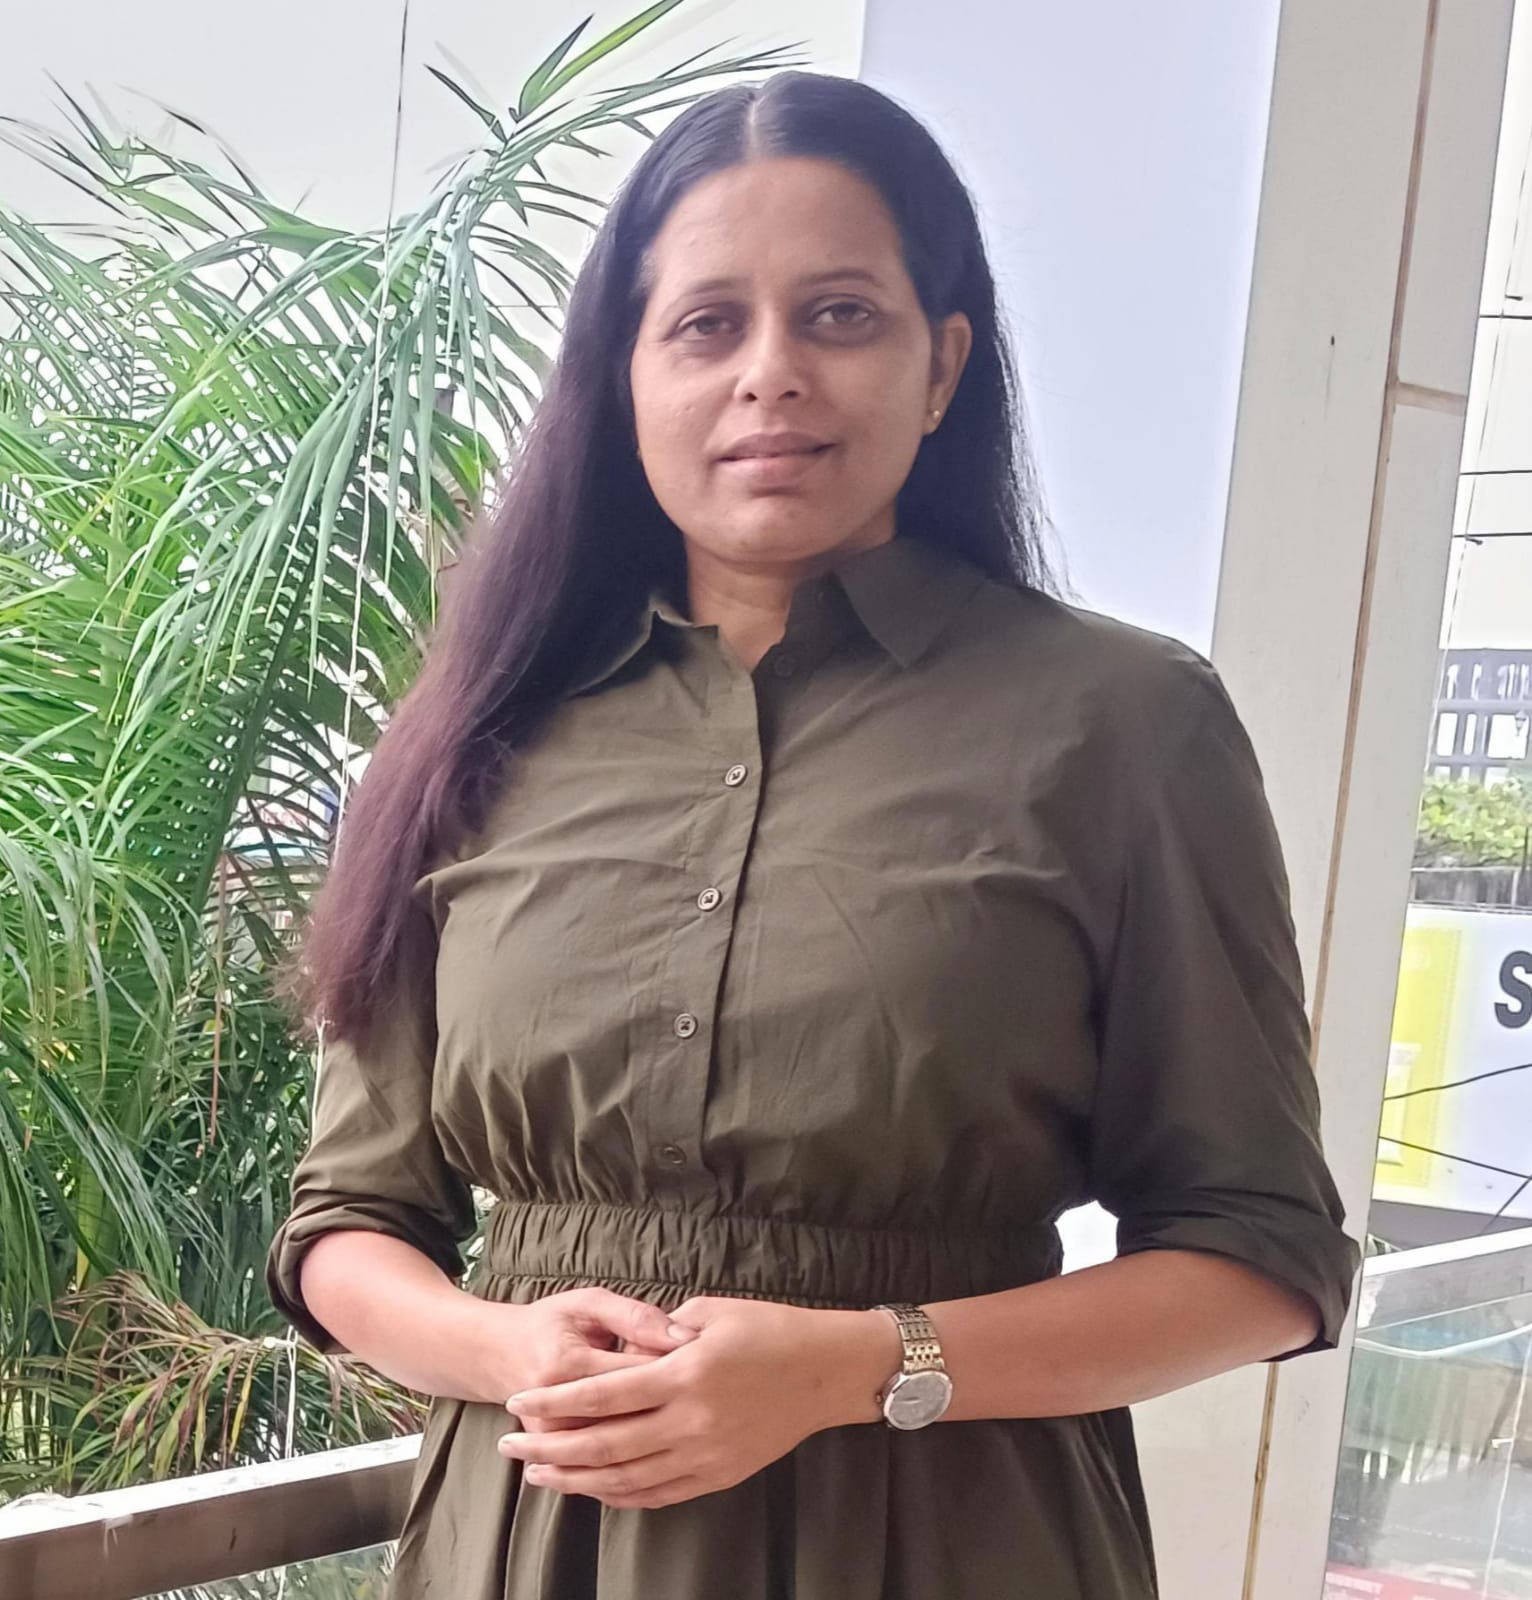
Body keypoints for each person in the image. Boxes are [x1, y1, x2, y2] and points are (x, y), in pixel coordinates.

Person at [267, 69, 1361, 1600]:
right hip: (536, 1530)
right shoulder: (473, 730)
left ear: (942, 363)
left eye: (840, 315)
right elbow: (346, 1221)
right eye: (706, 325)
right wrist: (503, 1346)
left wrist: (862, 1364)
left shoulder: (1127, 726)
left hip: (945, 1537)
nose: (770, 375)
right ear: (624, 373)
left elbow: (1263, 1257)